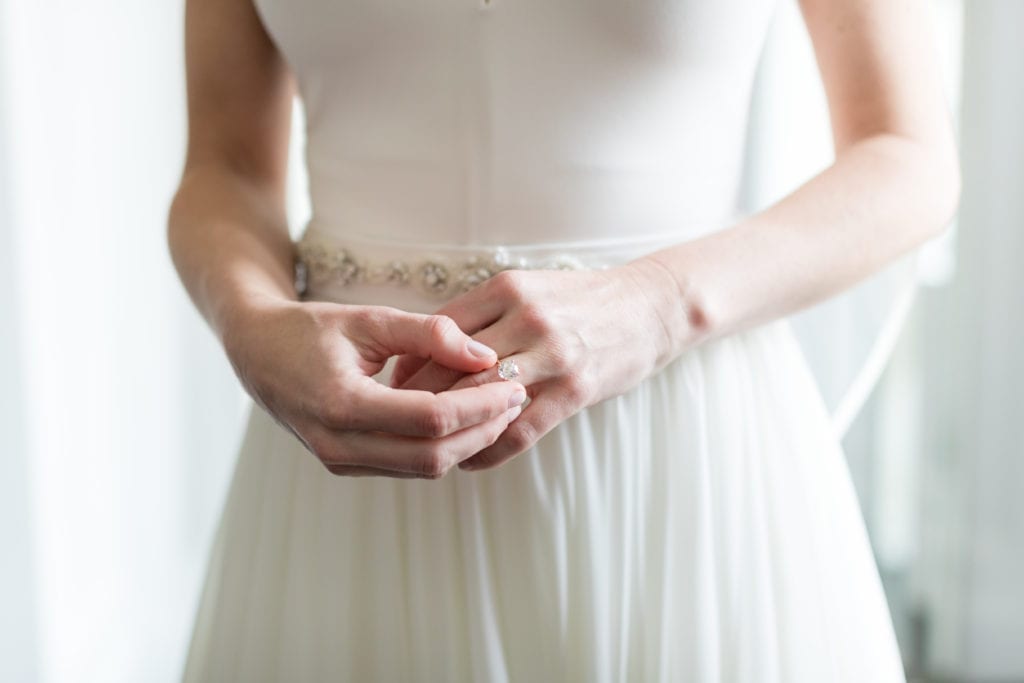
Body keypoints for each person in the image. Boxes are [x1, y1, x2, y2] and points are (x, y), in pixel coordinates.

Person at [168, 0, 959, 679]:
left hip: (677, 460)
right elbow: (226, 162)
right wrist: (254, 325)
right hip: (345, 457)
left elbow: (908, 158)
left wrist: (658, 304)